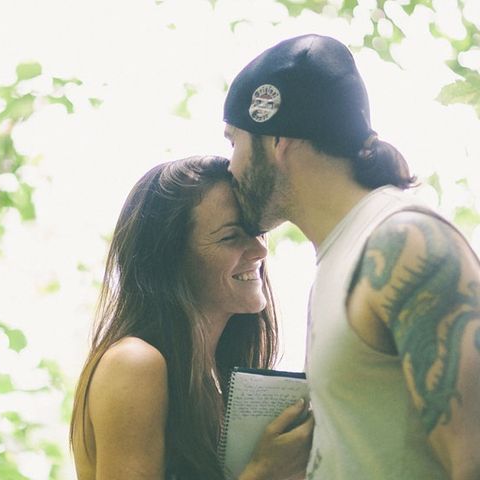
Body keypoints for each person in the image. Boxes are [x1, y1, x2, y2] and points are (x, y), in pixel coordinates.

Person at [222, 34, 480, 480]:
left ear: (276, 140)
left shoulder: (404, 242)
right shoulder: (340, 254)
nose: (231, 165)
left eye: (234, 142)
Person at [70, 155, 313, 480]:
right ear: (169, 260)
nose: (259, 250)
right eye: (230, 237)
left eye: (257, 232)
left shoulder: (211, 374)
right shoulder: (135, 363)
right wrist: (263, 472)